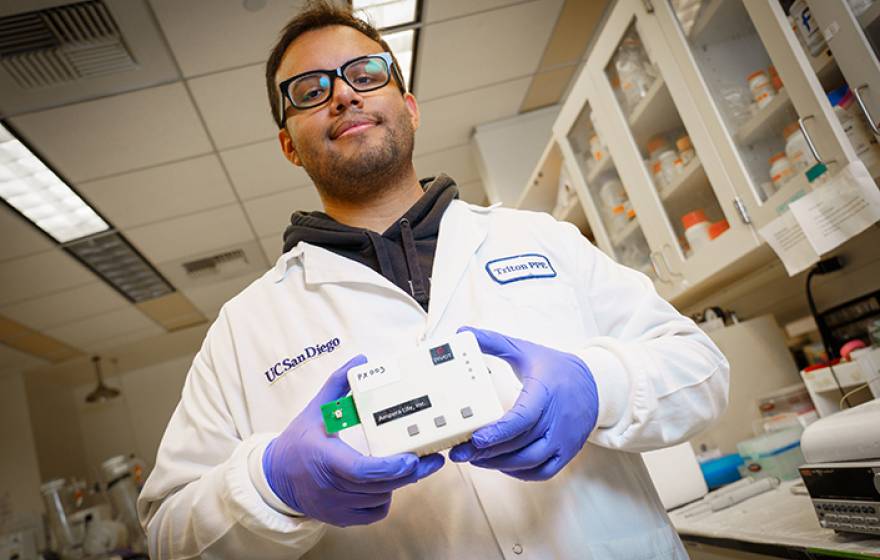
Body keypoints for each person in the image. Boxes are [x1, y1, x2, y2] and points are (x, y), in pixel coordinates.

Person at [138, 2, 729, 558]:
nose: (343, 94)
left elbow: (699, 368)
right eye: (310, 91)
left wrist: (597, 384)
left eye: (366, 73)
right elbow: (168, 532)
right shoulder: (246, 328)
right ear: (289, 145)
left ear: (410, 106)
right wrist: (271, 486)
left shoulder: (539, 238)